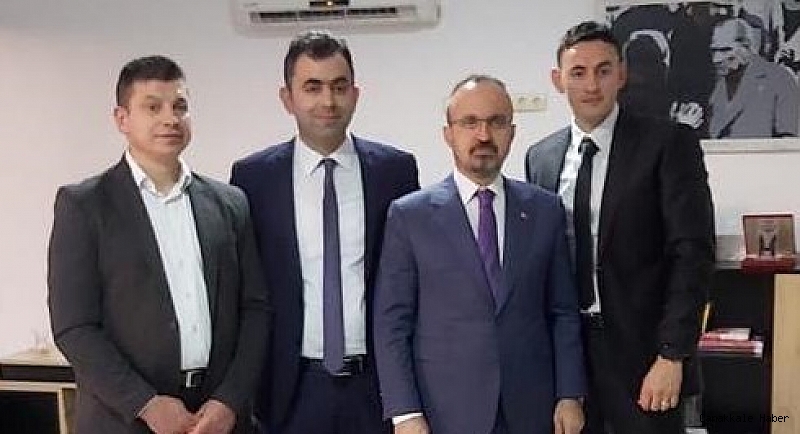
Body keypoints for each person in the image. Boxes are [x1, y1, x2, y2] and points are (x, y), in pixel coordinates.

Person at [47, 55, 271, 433]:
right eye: (153, 107)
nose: (170, 119)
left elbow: (255, 310)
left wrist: (230, 400)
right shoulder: (84, 205)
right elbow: (74, 327)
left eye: (179, 106)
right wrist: (146, 404)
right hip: (125, 419)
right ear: (122, 119)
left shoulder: (229, 203)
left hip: (218, 419)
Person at [526, 21, 714, 434]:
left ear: (622, 75)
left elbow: (692, 255)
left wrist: (672, 355)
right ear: (558, 80)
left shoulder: (668, 143)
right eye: (578, 72)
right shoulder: (540, 158)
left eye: (604, 70)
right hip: (570, 358)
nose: (592, 85)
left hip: (646, 355)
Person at [229, 30, 419, 434]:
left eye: (339, 86)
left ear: (356, 94)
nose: (328, 101)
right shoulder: (253, 178)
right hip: (290, 388)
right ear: (287, 98)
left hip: (377, 386)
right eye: (312, 87)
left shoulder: (395, 171)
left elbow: (410, 281)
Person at [374, 74, 586, 434]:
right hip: (445, 412)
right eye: (470, 122)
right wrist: (405, 412)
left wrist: (570, 394)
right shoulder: (410, 216)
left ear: (512, 133)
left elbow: (562, 311)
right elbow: (392, 322)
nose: (484, 135)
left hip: (531, 409)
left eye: (496, 122)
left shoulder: (544, 210)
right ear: (448, 134)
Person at [708, 17, 800, 138]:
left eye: (725, 50)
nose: (716, 59)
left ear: (746, 47)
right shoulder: (718, 86)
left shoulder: (779, 79)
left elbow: (787, 140)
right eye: (714, 50)